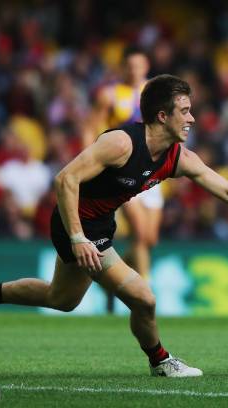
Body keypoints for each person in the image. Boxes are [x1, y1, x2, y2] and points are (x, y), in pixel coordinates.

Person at [0, 74, 228, 377]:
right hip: (74, 224)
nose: (191, 119)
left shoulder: (177, 157)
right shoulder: (120, 143)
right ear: (162, 116)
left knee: (60, 299)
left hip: (98, 227)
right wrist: (78, 237)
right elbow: (65, 179)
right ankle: (161, 362)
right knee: (144, 299)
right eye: (185, 111)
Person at [93, 46, 162, 283]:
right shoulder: (111, 94)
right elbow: (94, 126)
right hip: (123, 169)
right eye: (130, 66)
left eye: (138, 66)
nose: (134, 70)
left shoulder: (155, 92)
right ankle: (144, 288)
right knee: (140, 233)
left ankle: (110, 278)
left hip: (153, 166)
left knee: (150, 238)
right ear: (123, 68)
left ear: (146, 67)